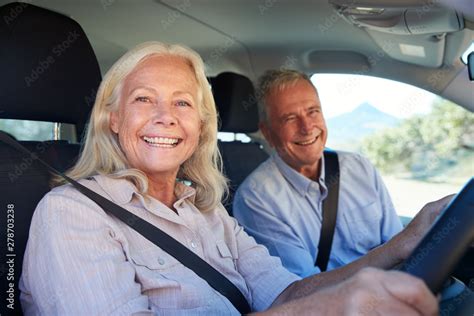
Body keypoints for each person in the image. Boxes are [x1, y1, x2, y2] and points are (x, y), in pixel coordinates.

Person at [19, 41, 444, 315]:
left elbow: (288, 294)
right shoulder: (70, 214)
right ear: (113, 119)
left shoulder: (207, 214)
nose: (165, 116)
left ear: (201, 126)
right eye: (144, 99)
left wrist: (407, 242)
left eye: (183, 103)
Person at [233, 69, 407, 277]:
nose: (307, 127)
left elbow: (397, 245)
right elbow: (304, 288)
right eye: (289, 118)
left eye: (312, 111)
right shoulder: (256, 198)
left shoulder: (359, 167)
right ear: (268, 133)